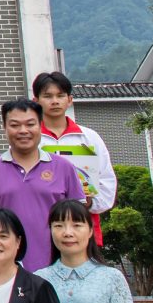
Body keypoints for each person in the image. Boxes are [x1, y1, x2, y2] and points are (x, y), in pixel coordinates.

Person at [0, 100, 89, 271]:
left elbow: (79, 220)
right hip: (6, 269)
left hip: (57, 268)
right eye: (14, 125)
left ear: (40, 126)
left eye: (30, 124)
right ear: (4, 127)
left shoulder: (63, 167)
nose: (23, 131)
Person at [33, 72, 120, 216]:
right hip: (39, 220)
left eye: (60, 95)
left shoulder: (90, 137)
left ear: (70, 99)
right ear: (36, 101)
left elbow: (107, 181)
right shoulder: (29, 139)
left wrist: (90, 202)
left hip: (84, 222)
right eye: (47, 96)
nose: (55, 101)